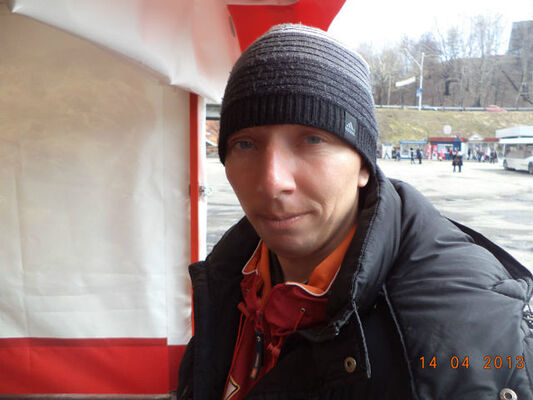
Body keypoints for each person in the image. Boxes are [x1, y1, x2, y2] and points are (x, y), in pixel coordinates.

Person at [177, 24, 533, 400]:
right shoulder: (228, 280)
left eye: (312, 139)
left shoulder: (466, 331)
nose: (272, 182)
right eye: (246, 144)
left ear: (364, 165)